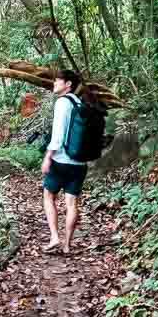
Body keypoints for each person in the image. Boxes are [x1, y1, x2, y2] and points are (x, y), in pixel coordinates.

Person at [40, 69, 96, 256]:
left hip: (60, 161)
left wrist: (48, 157)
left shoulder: (62, 103)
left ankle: (54, 237)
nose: (54, 84)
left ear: (68, 84)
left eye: (58, 81)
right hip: (79, 162)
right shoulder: (80, 102)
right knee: (72, 204)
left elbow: (58, 135)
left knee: (49, 197)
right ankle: (67, 245)